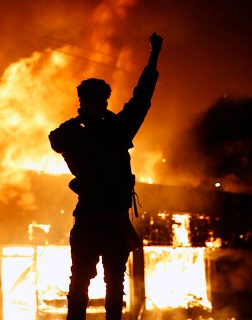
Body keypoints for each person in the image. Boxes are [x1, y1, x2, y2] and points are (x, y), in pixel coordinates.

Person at [48, 32, 163, 320]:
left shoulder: (117, 128)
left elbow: (142, 98)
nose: (97, 106)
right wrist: (80, 123)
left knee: (114, 284)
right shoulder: (78, 131)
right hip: (88, 219)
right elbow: (55, 140)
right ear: (83, 102)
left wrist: (154, 57)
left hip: (112, 219)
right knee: (81, 283)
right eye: (91, 101)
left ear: (105, 102)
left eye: (100, 101)